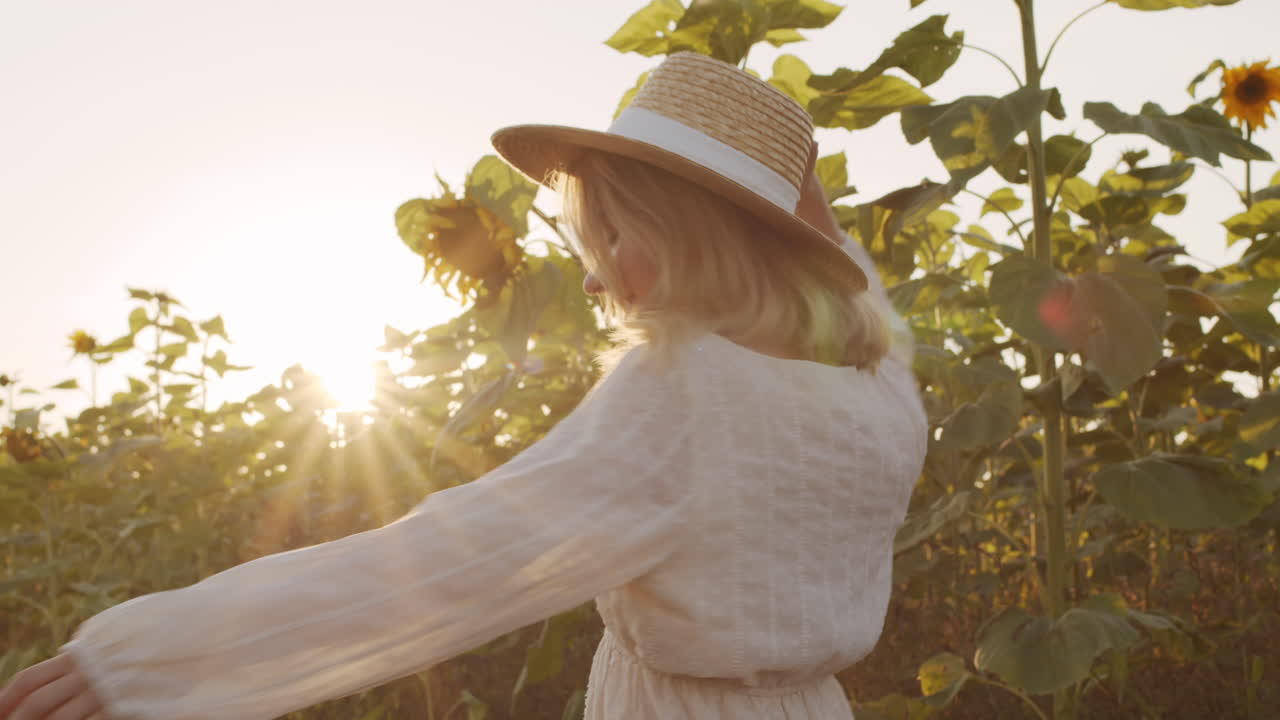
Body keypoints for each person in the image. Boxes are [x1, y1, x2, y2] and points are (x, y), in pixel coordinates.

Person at [0, 51, 927, 720]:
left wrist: (145, 661)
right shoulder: (878, 386)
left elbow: (448, 564)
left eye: (613, 235)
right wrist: (794, 195)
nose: (597, 275)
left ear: (690, 228)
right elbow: (849, 279)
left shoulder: (685, 395)